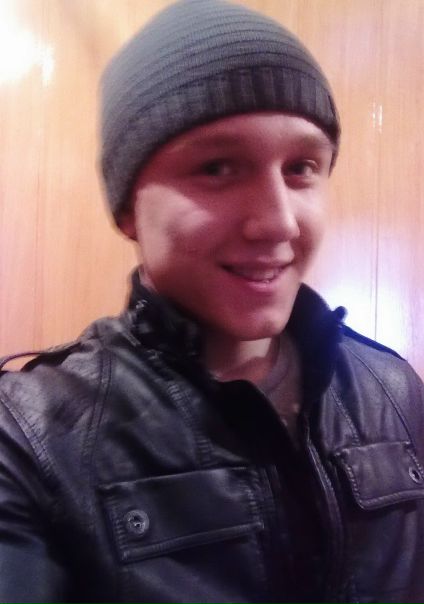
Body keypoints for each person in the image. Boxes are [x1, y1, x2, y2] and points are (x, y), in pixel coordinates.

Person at [1, 0, 424, 602]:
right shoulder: (32, 435)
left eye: (302, 167)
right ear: (128, 209)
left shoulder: (394, 391)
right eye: (218, 167)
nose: (278, 222)